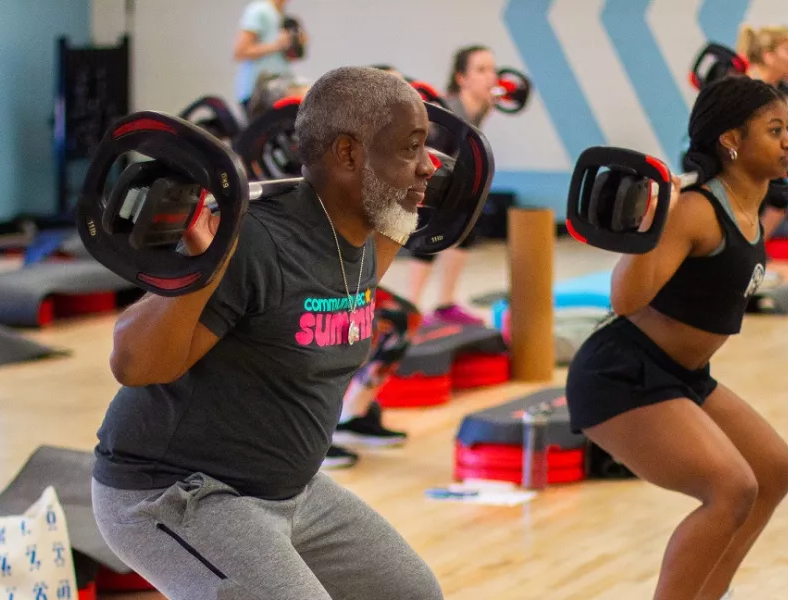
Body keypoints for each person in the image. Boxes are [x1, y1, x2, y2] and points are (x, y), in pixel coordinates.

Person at [92, 66, 444, 600]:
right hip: (174, 492)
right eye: (411, 149)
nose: (429, 167)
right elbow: (133, 365)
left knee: (411, 594)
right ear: (348, 154)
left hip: (291, 493)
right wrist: (202, 263)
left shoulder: (362, 232)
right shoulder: (257, 242)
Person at [564, 77, 788, 600]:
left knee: (774, 469)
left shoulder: (749, 206)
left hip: (686, 375)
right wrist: (653, 222)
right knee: (731, 488)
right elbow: (625, 300)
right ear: (731, 141)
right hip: (623, 374)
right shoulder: (695, 210)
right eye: (776, 130)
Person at [407, 45, 497, 327]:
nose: (491, 77)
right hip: (418, 180)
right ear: (461, 78)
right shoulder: (447, 112)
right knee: (428, 230)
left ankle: (445, 305)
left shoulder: (481, 107)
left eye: (492, 70)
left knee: (467, 224)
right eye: (481, 70)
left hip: (447, 178)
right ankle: (410, 309)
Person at [326, 287, 422, 469]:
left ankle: (350, 416)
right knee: (321, 327)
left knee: (403, 318)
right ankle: (301, 434)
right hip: (295, 283)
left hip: (343, 279)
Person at [736, 24, 788, 239]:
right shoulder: (751, 86)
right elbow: (767, 134)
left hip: (753, 157)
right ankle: (748, 250)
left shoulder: (777, 91)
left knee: (780, 195)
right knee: (778, 194)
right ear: (768, 56)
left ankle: (752, 250)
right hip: (729, 158)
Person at [231, 0, 298, 106]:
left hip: (278, 90)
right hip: (258, 93)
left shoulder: (280, 14)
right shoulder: (259, 10)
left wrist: (296, 44)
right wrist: (277, 45)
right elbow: (240, 51)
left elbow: (286, 56)